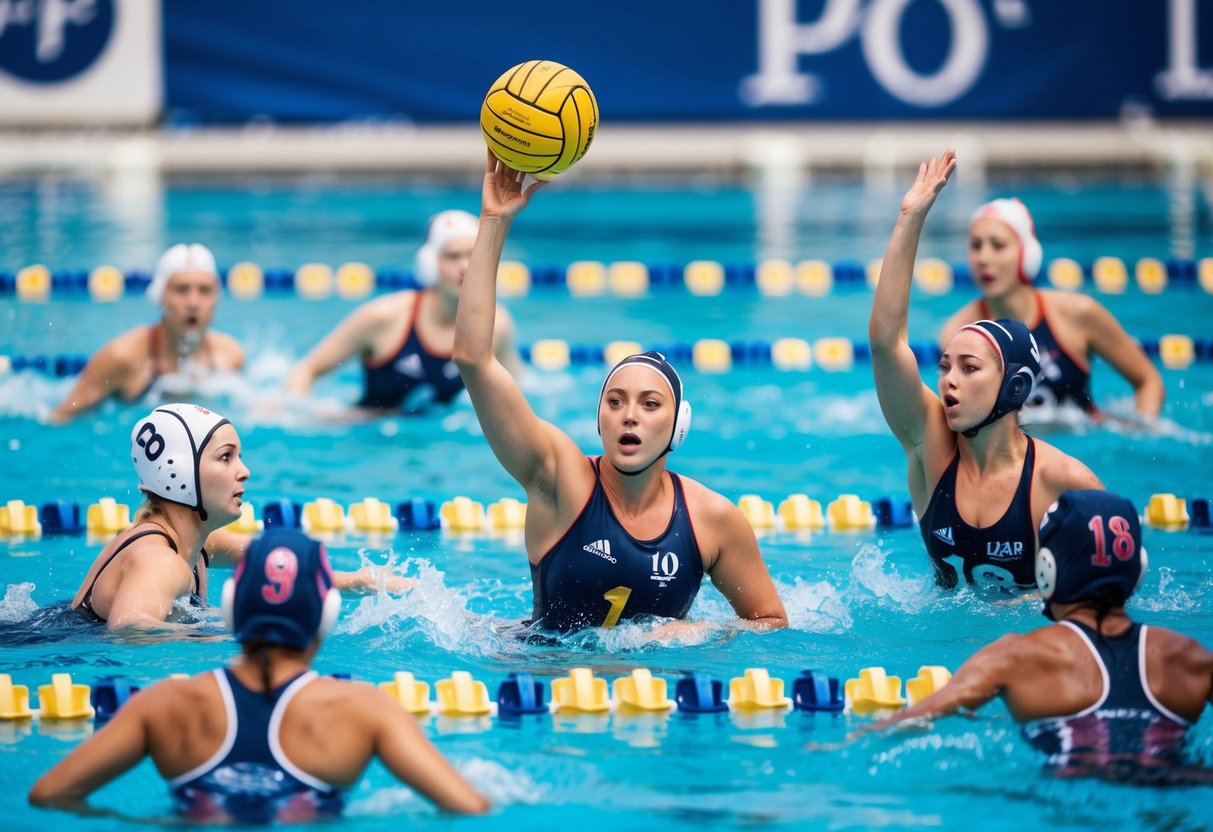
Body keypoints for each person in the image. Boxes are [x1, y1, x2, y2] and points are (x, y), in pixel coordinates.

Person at [452, 152, 787, 635]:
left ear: (678, 426)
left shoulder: (711, 518)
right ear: (599, 418)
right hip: (547, 685)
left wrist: (702, 630)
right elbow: (473, 358)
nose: (630, 415)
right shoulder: (558, 479)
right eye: (616, 402)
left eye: (650, 404)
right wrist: (493, 223)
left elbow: (771, 621)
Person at [31, 528, 489, 821]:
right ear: (324, 618)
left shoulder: (165, 705)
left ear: (231, 611)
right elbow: (467, 807)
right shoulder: (365, 712)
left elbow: (50, 794)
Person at [869, 149, 1103, 592]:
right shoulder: (931, 450)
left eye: (969, 368)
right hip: (934, 661)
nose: (948, 380)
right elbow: (886, 344)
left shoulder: (1063, 482)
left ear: (1014, 387)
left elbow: (1108, 595)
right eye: (944, 366)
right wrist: (909, 219)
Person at [864, 490, 1212, 784]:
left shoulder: (1016, 657)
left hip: (1067, 802)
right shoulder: (1190, 658)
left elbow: (904, 725)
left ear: (1046, 569)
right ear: (1138, 569)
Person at [71, 402, 408, 633]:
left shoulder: (198, 544)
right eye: (226, 458)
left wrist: (360, 581)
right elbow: (129, 629)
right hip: (57, 649)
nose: (244, 472)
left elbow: (280, 563)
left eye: (239, 457)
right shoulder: (162, 561)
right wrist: (225, 633)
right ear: (180, 473)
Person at [939, 198, 1164, 421]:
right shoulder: (959, 334)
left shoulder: (1078, 314)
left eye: (998, 245)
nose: (984, 258)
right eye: (976, 246)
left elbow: (1148, 381)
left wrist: (1138, 436)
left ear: (1027, 254)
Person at [286, 209, 523, 414]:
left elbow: (518, 396)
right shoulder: (384, 317)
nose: (464, 267)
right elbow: (306, 370)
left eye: (472, 256)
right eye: (453, 257)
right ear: (429, 263)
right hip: (367, 432)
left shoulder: (496, 326)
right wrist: (294, 412)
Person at [50, 244, 245, 424]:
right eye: (181, 289)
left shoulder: (230, 354)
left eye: (204, 290)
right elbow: (61, 417)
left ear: (216, 297)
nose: (193, 302)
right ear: (161, 295)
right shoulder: (121, 357)